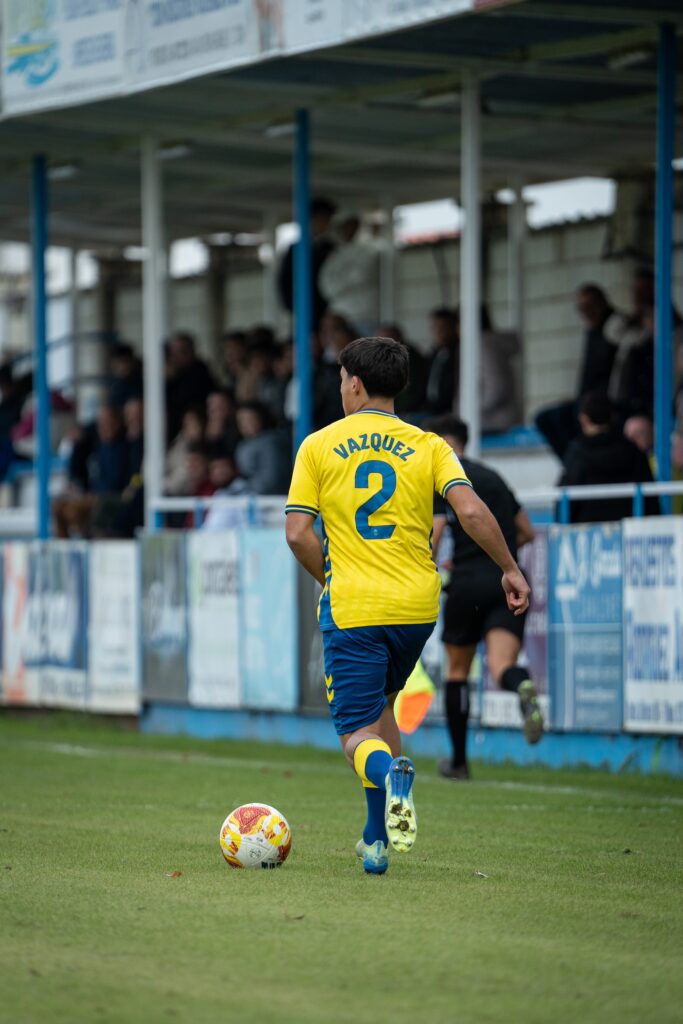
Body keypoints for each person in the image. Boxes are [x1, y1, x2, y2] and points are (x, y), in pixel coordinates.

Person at [285, 336, 530, 875]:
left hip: (355, 606)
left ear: (355, 383)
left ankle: (392, 776)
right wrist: (510, 568)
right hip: (417, 607)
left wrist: (330, 578)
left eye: (341, 379)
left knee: (356, 735)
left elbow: (299, 533)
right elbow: (471, 511)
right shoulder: (430, 445)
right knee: (383, 711)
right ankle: (376, 840)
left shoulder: (318, 446)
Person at [428, 415, 540, 782]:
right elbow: (526, 532)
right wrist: (500, 556)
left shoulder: (443, 479)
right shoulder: (494, 478)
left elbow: (434, 537)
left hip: (466, 584)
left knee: (457, 672)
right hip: (505, 582)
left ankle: (459, 762)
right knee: (502, 665)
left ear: (441, 442)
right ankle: (521, 684)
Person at [535, 284, 622, 459]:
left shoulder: (615, 327)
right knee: (545, 418)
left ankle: (580, 461)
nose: (586, 312)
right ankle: (572, 462)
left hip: (606, 401)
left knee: (575, 418)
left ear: (602, 303)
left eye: (590, 306)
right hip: (587, 399)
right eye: (581, 308)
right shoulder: (592, 331)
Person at [559, 391, 658, 523]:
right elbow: (651, 498)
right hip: (631, 529)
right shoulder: (632, 450)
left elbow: (566, 502)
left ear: (584, 419)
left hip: (587, 529)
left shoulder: (577, 454)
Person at [277, 196, 336, 330]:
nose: (325, 224)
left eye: (328, 220)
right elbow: (285, 280)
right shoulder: (296, 249)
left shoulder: (331, 247)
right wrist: (293, 307)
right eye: (322, 219)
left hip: (328, 308)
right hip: (304, 307)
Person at [318, 212, 380, 335]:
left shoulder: (370, 250)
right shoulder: (336, 254)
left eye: (353, 226)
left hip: (365, 314)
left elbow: (361, 275)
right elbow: (326, 285)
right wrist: (346, 281)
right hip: (340, 315)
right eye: (345, 227)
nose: (348, 231)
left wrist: (339, 281)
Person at [165, 332, 216, 442]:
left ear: (191, 352)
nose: (175, 357)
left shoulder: (200, 372)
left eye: (182, 352)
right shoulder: (172, 374)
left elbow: (184, 399)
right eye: (173, 353)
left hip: (194, 430)